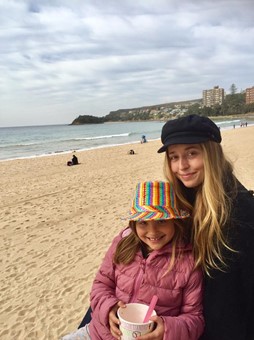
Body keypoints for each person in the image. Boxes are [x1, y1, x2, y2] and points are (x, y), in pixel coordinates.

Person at [62, 181, 204, 340]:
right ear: (134, 224)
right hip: (99, 333)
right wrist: (108, 309)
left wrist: (166, 330)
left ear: (175, 222)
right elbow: (101, 284)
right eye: (143, 223)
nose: (152, 231)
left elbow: (194, 318)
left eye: (161, 221)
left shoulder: (188, 262)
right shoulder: (122, 244)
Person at [157, 114, 254, 340]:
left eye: (192, 153)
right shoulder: (183, 202)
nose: (182, 166)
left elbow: (233, 302)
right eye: (174, 157)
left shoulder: (238, 214)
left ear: (210, 154)